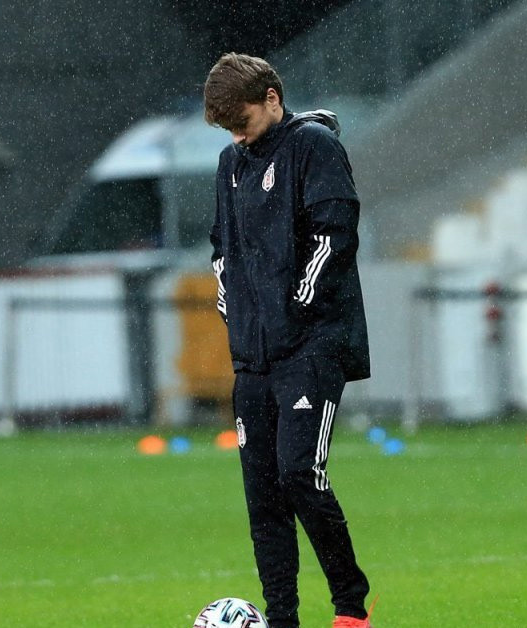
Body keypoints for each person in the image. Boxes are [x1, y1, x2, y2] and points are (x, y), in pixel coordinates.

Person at [204, 52, 374, 628]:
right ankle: (282, 619)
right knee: (263, 496)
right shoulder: (230, 163)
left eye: (243, 121)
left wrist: (295, 306)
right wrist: (232, 305)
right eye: (228, 129)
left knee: (301, 473)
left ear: (272, 99)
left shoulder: (313, 147)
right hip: (253, 355)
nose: (237, 136)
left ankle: (350, 607)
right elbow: (222, 248)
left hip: (311, 343)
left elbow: (334, 235)